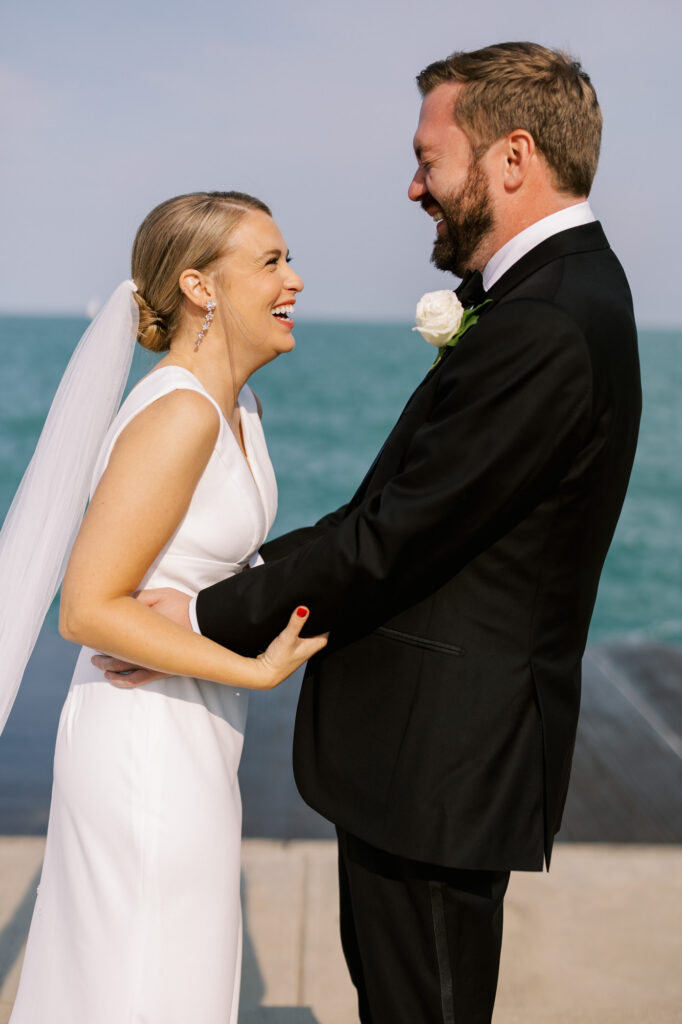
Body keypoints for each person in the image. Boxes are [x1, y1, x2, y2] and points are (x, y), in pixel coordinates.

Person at [99, 44, 642, 1024]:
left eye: (429, 160)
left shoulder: (548, 322)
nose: (412, 186)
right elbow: (400, 513)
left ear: (510, 159)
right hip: (432, 763)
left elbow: (396, 534)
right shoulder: (551, 301)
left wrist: (205, 610)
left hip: (441, 766)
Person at [1, 191, 327, 1024]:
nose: (294, 280)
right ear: (199, 287)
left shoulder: (238, 406)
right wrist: (249, 671)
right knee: (143, 980)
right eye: (270, 262)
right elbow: (85, 609)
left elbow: (218, 564)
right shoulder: (179, 411)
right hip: (141, 738)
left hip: (195, 732)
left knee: (176, 972)